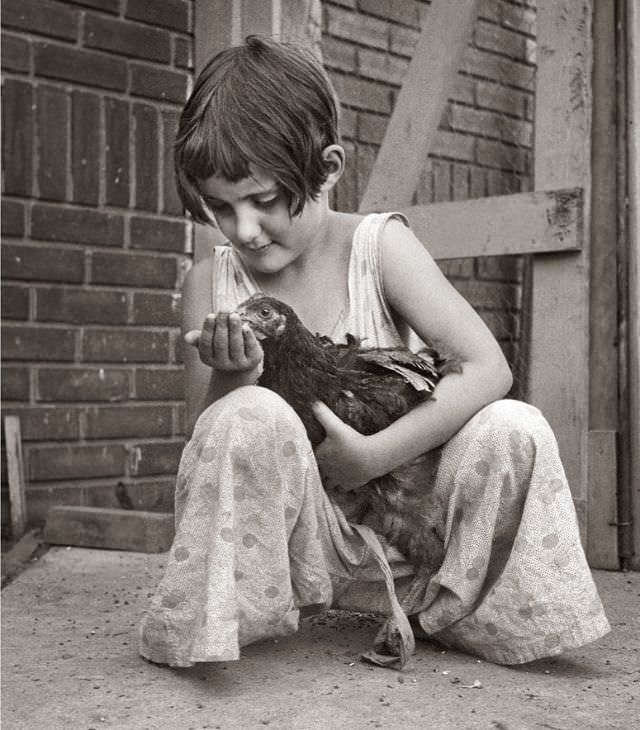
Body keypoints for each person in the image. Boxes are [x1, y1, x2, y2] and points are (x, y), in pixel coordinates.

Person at [139, 35, 609, 669]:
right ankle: (235, 615)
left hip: (413, 523)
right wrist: (238, 380)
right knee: (241, 417)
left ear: (328, 169)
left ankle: (471, 611)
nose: (243, 230)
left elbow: (488, 368)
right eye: (220, 208)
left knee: (514, 427)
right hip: (301, 543)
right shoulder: (212, 285)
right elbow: (203, 442)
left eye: (264, 200)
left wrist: (371, 458)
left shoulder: (378, 247)